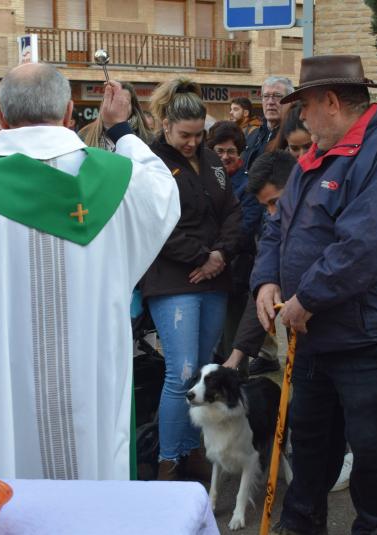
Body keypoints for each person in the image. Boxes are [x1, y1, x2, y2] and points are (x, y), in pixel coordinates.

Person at [0, 63, 180, 480]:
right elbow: (162, 193)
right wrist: (121, 130)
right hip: (90, 366)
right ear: (71, 112)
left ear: (1, 117)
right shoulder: (119, 181)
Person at [251, 55, 377, 535]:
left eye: (305, 106)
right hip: (317, 337)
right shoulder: (315, 156)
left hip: (373, 338)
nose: (301, 117)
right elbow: (277, 227)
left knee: (372, 459)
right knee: (309, 450)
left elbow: (368, 246)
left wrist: (305, 298)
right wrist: (267, 280)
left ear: (330, 101)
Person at [141, 78, 242, 481]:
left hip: (214, 278)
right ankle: (169, 460)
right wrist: (203, 256)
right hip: (172, 280)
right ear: (166, 125)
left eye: (199, 134)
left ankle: (192, 451)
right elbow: (155, 224)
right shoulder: (151, 161)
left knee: (203, 372)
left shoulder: (212, 160)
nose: (192, 142)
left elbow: (233, 211)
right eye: (185, 135)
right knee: (180, 373)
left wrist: (219, 256)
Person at [222, 150, 296, 374]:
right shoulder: (275, 225)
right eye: (267, 206)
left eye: (276, 202)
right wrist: (236, 356)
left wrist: (308, 299)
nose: (273, 213)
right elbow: (263, 292)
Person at [207, 121, 262, 359]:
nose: (225, 156)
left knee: (231, 345)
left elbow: (245, 228)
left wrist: (216, 253)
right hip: (205, 273)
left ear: (240, 152)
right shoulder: (203, 179)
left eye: (231, 151)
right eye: (219, 151)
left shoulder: (249, 184)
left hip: (235, 275)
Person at [79, 82, 154, 149]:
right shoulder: (84, 134)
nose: (119, 106)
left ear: (133, 107)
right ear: (104, 104)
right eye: (113, 100)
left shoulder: (148, 138)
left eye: (125, 101)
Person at [242, 77, 293, 170]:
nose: (270, 102)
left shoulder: (294, 138)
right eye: (266, 96)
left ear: (290, 101)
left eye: (277, 96)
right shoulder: (252, 135)